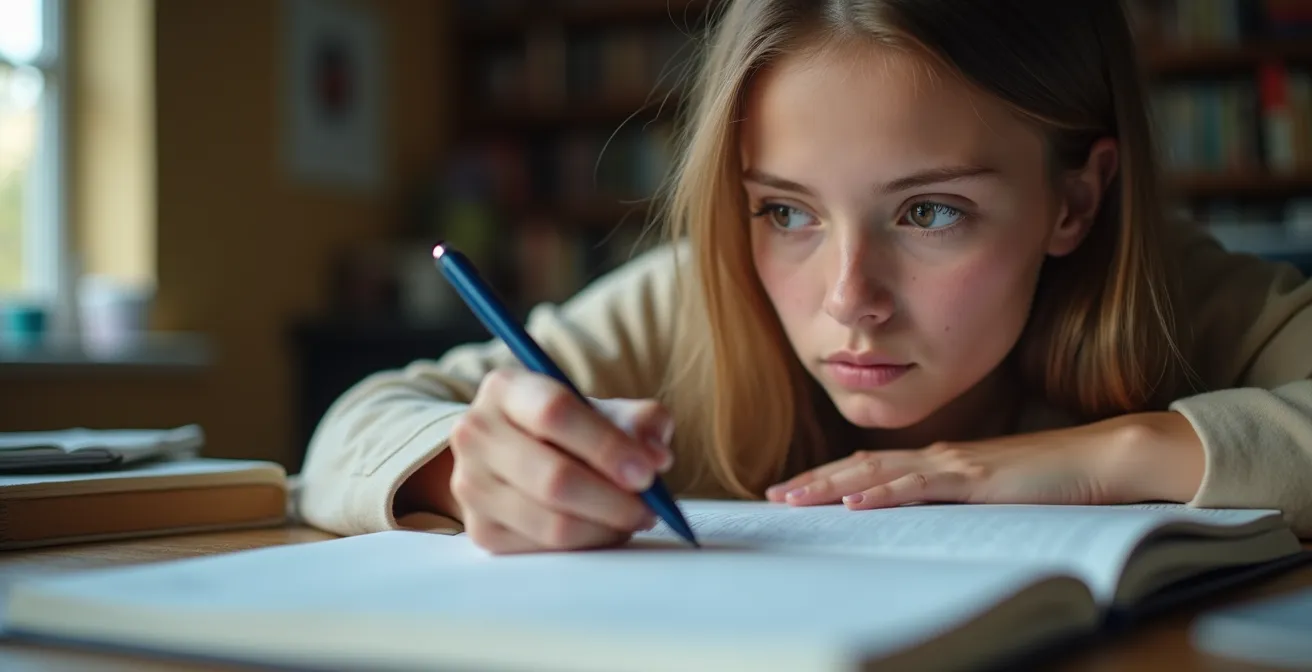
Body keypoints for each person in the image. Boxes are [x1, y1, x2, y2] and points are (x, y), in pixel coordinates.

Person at [298, 0, 1312, 553]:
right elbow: (354, 426)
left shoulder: (1175, 295)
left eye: (928, 212)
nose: (846, 298)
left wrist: (1110, 456)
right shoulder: (697, 296)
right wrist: (466, 467)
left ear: (1074, 203)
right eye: (784, 211)